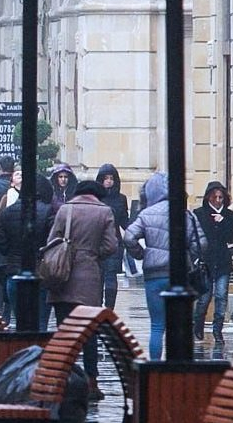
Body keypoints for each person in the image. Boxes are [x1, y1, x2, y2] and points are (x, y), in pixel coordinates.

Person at [124, 172, 206, 362]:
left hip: (154, 275)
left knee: (157, 326)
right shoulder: (186, 214)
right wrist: (187, 255)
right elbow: (201, 244)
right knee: (178, 325)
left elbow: (129, 237)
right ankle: (177, 364)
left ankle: (155, 366)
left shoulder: (146, 214)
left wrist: (141, 254)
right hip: (180, 275)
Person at [45, 179, 119, 389]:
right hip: (89, 277)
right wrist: (92, 254)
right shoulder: (104, 212)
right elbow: (111, 246)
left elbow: (52, 240)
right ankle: (91, 381)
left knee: (64, 330)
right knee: (89, 332)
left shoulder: (65, 210)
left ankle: (64, 377)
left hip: (62, 276)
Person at [0, 175, 54, 314]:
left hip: (14, 273)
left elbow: (3, 247)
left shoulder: (7, 212)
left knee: (21, 322)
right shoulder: (48, 211)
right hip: (40, 273)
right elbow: (52, 242)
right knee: (41, 323)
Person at [192, 181, 233, 344]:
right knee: (204, 297)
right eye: (215, 197)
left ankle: (218, 330)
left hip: (223, 262)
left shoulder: (229, 215)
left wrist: (223, 220)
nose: (218, 200)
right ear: (208, 198)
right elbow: (195, 237)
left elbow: (232, 237)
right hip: (205, 261)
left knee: (221, 296)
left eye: (221, 197)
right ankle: (198, 327)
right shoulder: (199, 213)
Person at [95, 163, 131, 308]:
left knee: (110, 276)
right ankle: (98, 306)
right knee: (98, 278)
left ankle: (110, 308)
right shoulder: (96, 197)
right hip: (97, 242)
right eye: (106, 178)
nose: (109, 181)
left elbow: (124, 221)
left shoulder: (121, 198)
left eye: (111, 178)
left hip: (114, 242)